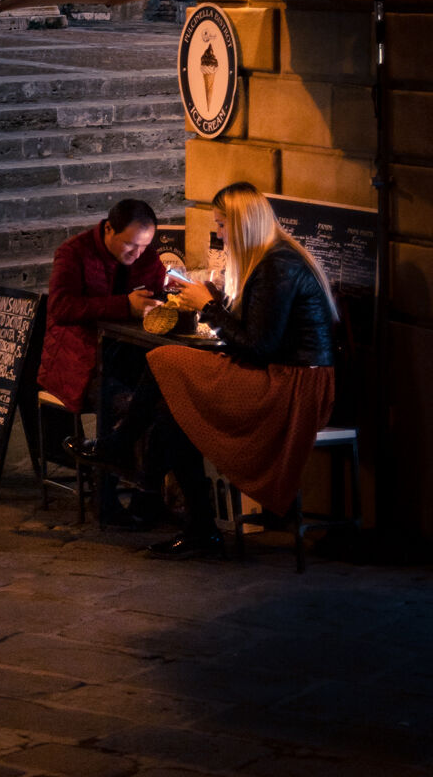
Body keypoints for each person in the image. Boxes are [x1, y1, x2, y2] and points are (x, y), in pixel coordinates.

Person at [86, 180, 337, 561]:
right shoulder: (269, 260)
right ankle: (199, 526)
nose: (219, 233)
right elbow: (258, 335)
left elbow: (258, 346)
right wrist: (215, 300)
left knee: (165, 360)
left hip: (293, 386)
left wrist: (208, 306)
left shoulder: (276, 265)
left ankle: (124, 449)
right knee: (174, 408)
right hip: (278, 373)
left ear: (241, 223)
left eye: (221, 224)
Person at [38, 196, 179, 413]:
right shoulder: (74, 252)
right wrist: (125, 306)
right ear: (109, 229)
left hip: (128, 353)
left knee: (170, 395)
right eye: (129, 244)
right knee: (129, 402)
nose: (137, 253)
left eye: (144, 245)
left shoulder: (146, 256)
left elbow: (160, 288)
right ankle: (109, 446)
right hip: (79, 361)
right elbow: (60, 307)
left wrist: (174, 294)